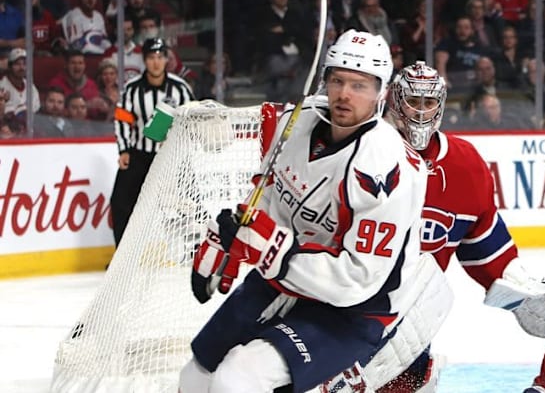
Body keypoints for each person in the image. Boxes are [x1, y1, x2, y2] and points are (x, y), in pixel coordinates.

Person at [178, 29, 436, 393]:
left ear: (381, 93)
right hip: (281, 278)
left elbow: (357, 279)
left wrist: (273, 251)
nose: (344, 94)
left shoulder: (389, 169)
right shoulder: (294, 123)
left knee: (237, 378)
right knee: (195, 378)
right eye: (338, 80)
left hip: (354, 310)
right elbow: (270, 192)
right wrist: (235, 235)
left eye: (359, 85)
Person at [322, 61, 545, 392]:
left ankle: (417, 378)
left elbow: (484, 246)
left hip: (408, 316)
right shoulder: (362, 148)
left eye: (429, 103)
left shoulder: (464, 166)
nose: (421, 112)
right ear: (395, 100)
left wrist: (522, 293)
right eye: (413, 102)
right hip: (339, 302)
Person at [110, 37, 194, 247]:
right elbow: (122, 119)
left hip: (171, 158)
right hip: (139, 154)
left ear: (166, 59)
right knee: (120, 202)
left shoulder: (180, 89)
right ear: (144, 61)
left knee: (189, 202)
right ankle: (122, 255)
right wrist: (124, 150)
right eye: (151, 58)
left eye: (159, 57)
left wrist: (181, 147)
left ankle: (191, 251)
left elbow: (192, 120)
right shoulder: (132, 89)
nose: (156, 62)